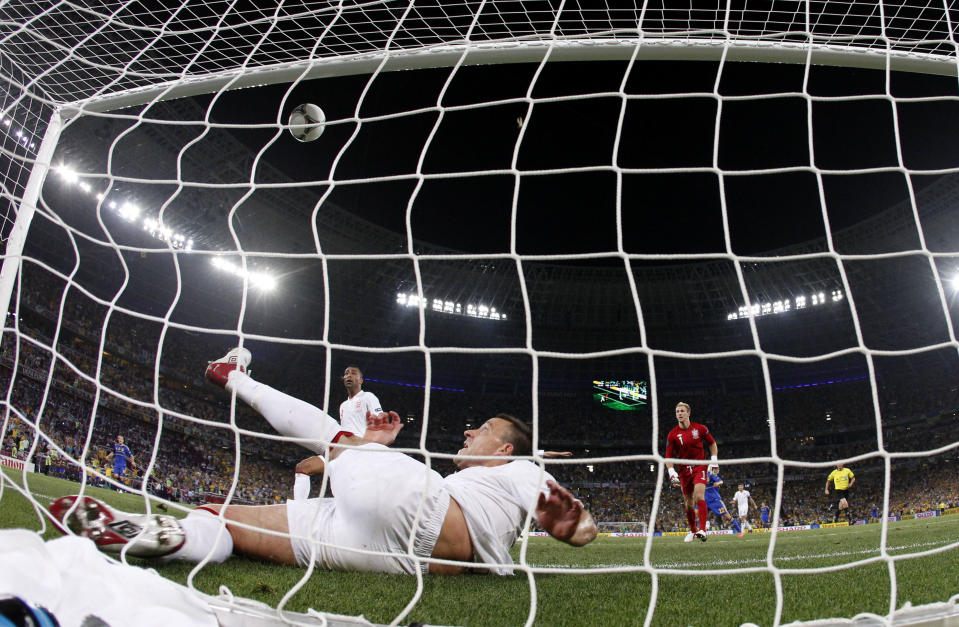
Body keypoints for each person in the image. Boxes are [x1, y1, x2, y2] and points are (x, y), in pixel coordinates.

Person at [49, 348, 596, 576]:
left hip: (423, 514)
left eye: (484, 432)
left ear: (505, 449)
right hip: (396, 557)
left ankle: (231, 374)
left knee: (333, 436)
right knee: (229, 519)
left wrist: (573, 519)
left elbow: (582, 528)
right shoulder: (487, 481)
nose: (470, 431)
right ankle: (159, 535)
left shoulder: (521, 470)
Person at [292, 365, 382, 500]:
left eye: (353, 373)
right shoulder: (343, 406)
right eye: (346, 373)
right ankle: (299, 511)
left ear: (361, 380)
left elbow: (379, 423)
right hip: (340, 451)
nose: (349, 375)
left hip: (360, 452)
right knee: (303, 467)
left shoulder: (368, 397)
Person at [665, 401, 719, 543]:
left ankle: (703, 530)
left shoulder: (700, 429)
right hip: (683, 471)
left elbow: (712, 443)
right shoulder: (672, 434)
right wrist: (671, 472)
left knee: (699, 495)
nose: (680, 414)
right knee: (688, 503)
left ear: (688, 413)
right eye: (677, 412)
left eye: (682, 411)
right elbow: (668, 456)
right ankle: (693, 530)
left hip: (699, 466)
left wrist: (713, 460)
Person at [702, 471, 740, 538]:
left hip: (715, 500)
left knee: (727, 516)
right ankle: (699, 532)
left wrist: (718, 483)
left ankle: (739, 531)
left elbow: (721, 481)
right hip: (705, 500)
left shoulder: (710, 474)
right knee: (700, 515)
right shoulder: (698, 474)